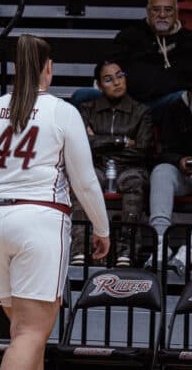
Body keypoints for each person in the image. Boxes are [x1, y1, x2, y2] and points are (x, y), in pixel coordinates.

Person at [0, 34, 110, 370]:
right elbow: (84, 181)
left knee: (23, 332)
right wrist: (102, 227)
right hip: (40, 219)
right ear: (49, 69)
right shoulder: (62, 111)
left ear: (16, 69)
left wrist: (0, 190)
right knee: (31, 332)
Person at [71, 0, 192, 122]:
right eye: (156, 10)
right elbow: (104, 69)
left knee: (182, 99)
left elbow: (189, 78)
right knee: (81, 96)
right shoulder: (130, 35)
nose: (162, 15)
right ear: (148, 11)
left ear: (177, 12)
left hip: (162, 105)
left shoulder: (190, 41)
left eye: (168, 9)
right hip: (125, 102)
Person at [70, 59, 152, 267]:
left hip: (129, 168)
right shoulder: (87, 109)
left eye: (120, 75)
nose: (116, 82)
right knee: (82, 181)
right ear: (98, 84)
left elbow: (142, 149)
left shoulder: (141, 111)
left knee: (134, 182)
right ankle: (80, 248)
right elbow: (82, 145)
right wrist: (122, 142)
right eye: (108, 79)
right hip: (95, 166)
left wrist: (100, 142)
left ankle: (127, 250)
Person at [147, 65, 192, 275]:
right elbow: (164, 150)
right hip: (186, 174)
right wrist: (180, 161)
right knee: (161, 172)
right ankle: (160, 242)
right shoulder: (177, 107)